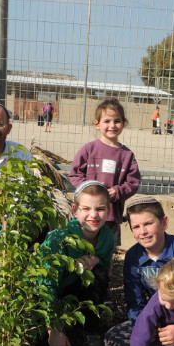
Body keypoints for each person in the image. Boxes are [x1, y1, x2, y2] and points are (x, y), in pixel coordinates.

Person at [103, 195, 174, 346]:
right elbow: (134, 302)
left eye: (148, 223)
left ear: (164, 223)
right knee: (113, 340)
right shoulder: (133, 257)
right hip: (156, 321)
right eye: (136, 227)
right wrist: (146, 327)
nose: (143, 232)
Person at [41, 180, 114, 346]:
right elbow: (45, 283)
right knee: (42, 345)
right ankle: (58, 322)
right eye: (86, 209)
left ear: (108, 211)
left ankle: (90, 329)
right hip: (52, 294)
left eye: (100, 209)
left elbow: (105, 265)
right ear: (75, 210)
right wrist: (53, 328)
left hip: (77, 292)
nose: (93, 215)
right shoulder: (59, 238)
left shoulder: (107, 237)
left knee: (99, 275)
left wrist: (96, 259)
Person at [68, 98, 140, 245]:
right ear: (97, 124)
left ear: (123, 124)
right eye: (107, 121)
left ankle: (107, 269)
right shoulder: (89, 149)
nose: (112, 125)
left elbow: (133, 182)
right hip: (87, 214)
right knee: (82, 248)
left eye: (117, 121)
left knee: (106, 251)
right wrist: (89, 186)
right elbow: (74, 174)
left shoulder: (127, 155)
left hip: (111, 215)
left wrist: (117, 191)